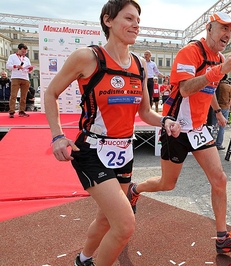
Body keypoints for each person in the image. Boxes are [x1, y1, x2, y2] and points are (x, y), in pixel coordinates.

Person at [44, 1, 181, 265]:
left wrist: (165, 121)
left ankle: (83, 259)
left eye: (138, 20)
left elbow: (144, 113)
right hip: (92, 150)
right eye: (129, 18)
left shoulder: (139, 64)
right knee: (125, 224)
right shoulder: (88, 57)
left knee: (106, 218)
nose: (136, 24)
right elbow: (51, 93)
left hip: (124, 151)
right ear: (108, 20)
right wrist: (57, 135)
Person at [127, 11, 231, 254]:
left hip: (198, 129)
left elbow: (208, 88)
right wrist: (220, 70)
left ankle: (222, 237)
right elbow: (185, 89)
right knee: (167, 184)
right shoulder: (190, 52)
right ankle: (135, 190)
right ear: (209, 28)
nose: (227, 34)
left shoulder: (218, 57)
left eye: (230, 30)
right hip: (175, 127)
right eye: (223, 28)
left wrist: (216, 112)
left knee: (220, 179)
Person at [6, 43, 33, 118]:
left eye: (25, 52)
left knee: (24, 96)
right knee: (13, 95)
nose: (24, 53)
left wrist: (30, 69)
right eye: (23, 51)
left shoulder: (27, 59)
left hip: (25, 78)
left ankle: (22, 111)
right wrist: (16, 66)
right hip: (16, 77)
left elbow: (29, 69)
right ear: (19, 49)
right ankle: (11, 111)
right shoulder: (12, 57)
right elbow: (8, 66)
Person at [212, 74, 231, 150]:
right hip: (225, 107)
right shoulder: (228, 87)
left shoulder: (216, 85)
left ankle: (211, 143)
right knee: (222, 127)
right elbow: (230, 98)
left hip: (215, 107)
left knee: (213, 126)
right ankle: (219, 144)